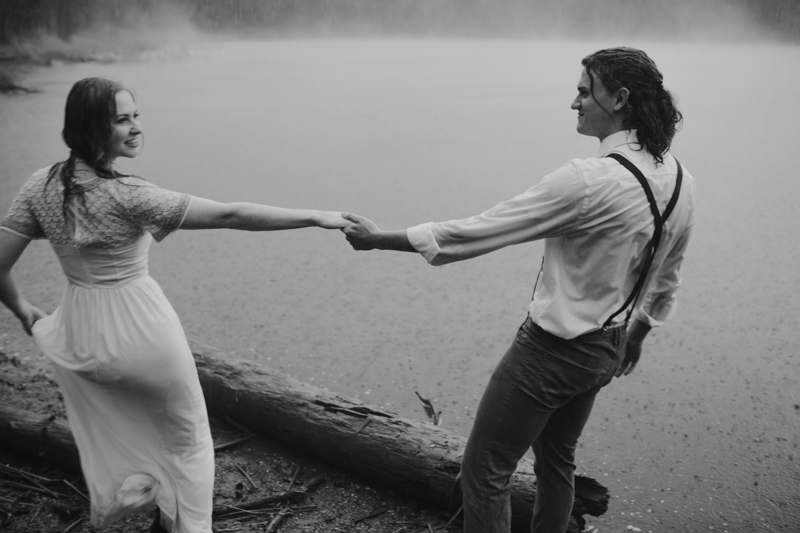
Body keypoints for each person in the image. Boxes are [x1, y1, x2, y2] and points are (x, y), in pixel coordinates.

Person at [342, 47, 696, 532]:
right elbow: (668, 274)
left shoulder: (587, 181)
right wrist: (636, 336)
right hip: (606, 349)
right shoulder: (681, 179)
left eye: (582, 91)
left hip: (551, 353)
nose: (574, 102)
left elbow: (476, 232)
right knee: (557, 461)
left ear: (619, 98)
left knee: (485, 469)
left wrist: (377, 240)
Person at [0, 77, 348, 533]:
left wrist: (24, 310)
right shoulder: (130, 195)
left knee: (131, 425)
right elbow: (230, 214)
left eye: (136, 115)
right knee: (189, 443)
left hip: (82, 336)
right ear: (91, 128)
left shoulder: (40, 185)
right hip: (141, 335)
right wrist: (315, 216)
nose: (136, 127)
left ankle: (152, 505)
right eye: (122, 120)